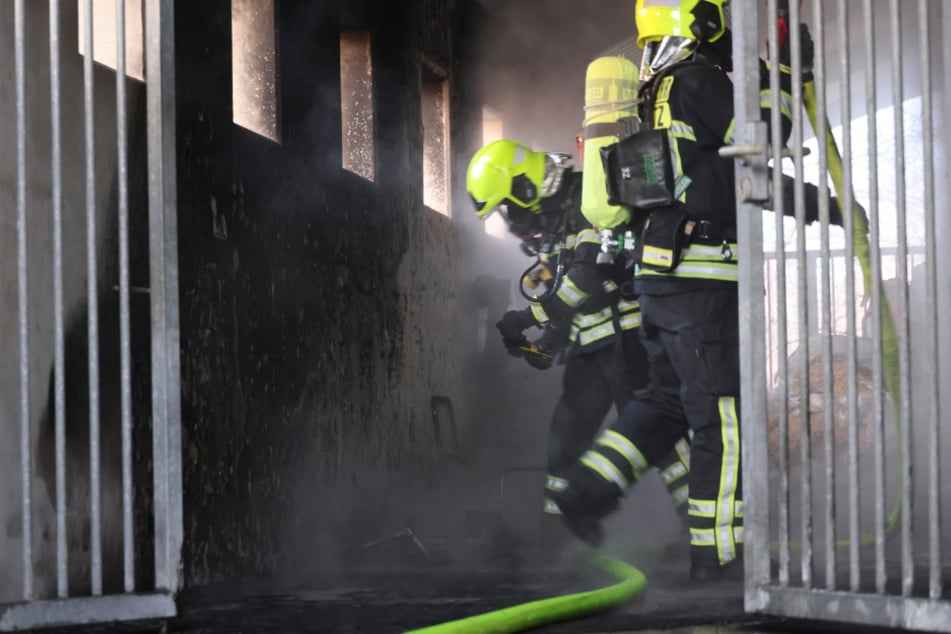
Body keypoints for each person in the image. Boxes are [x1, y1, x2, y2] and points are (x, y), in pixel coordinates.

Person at [552, 0, 834, 581]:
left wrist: (822, 207)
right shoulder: (698, 81)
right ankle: (723, 559)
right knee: (722, 417)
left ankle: (587, 489)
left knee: (665, 402)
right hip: (700, 278)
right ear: (701, 20)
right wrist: (783, 73)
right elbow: (765, 137)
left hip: (658, 279)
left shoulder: (654, 93)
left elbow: (738, 173)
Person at [466, 139, 691, 555]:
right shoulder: (551, 223)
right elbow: (565, 295)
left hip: (627, 344)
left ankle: (698, 530)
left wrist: (528, 319)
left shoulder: (586, 198)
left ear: (525, 188)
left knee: (658, 440)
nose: (511, 222)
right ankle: (556, 549)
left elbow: (588, 276)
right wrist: (545, 344)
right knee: (564, 442)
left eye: (507, 208)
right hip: (592, 349)